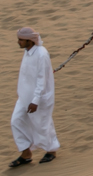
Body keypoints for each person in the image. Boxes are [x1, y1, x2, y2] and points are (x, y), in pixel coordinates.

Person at [9, 27, 59, 167]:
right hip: (24, 97)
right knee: (16, 121)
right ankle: (26, 154)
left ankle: (51, 150)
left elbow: (41, 80)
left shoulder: (41, 54)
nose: (18, 42)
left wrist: (35, 100)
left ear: (29, 40)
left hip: (39, 99)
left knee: (42, 125)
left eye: (21, 40)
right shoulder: (28, 52)